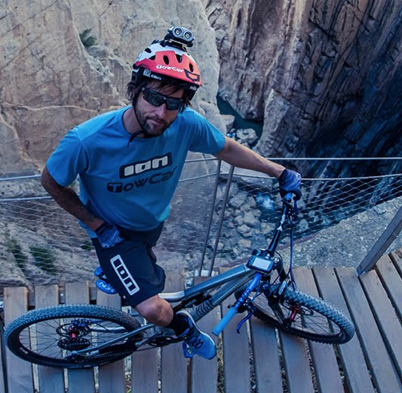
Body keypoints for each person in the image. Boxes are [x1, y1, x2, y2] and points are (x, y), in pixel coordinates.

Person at [41, 26, 302, 360]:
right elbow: (51, 180)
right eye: (154, 98)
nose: (161, 114)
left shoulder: (185, 124)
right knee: (153, 308)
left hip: (151, 223)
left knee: (145, 267)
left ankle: (123, 276)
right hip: (114, 233)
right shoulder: (87, 140)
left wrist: (279, 172)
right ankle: (183, 329)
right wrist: (96, 225)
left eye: (174, 104)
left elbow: (227, 149)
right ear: (135, 90)